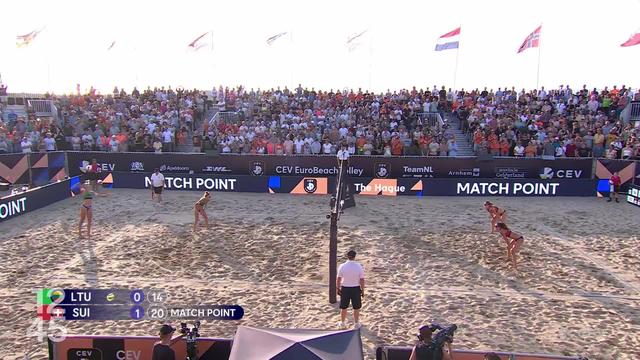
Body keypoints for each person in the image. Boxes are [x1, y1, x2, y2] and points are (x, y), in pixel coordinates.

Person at [337, 250, 365, 329]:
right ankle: (356, 323)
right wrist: (362, 290)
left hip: (345, 288)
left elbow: (338, 279)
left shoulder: (342, 266)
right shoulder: (358, 266)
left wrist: (338, 288)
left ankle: (342, 323)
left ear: (347, 256)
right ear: (354, 256)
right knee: (356, 307)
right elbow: (362, 279)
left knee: (344, 307)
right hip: (355, 288)